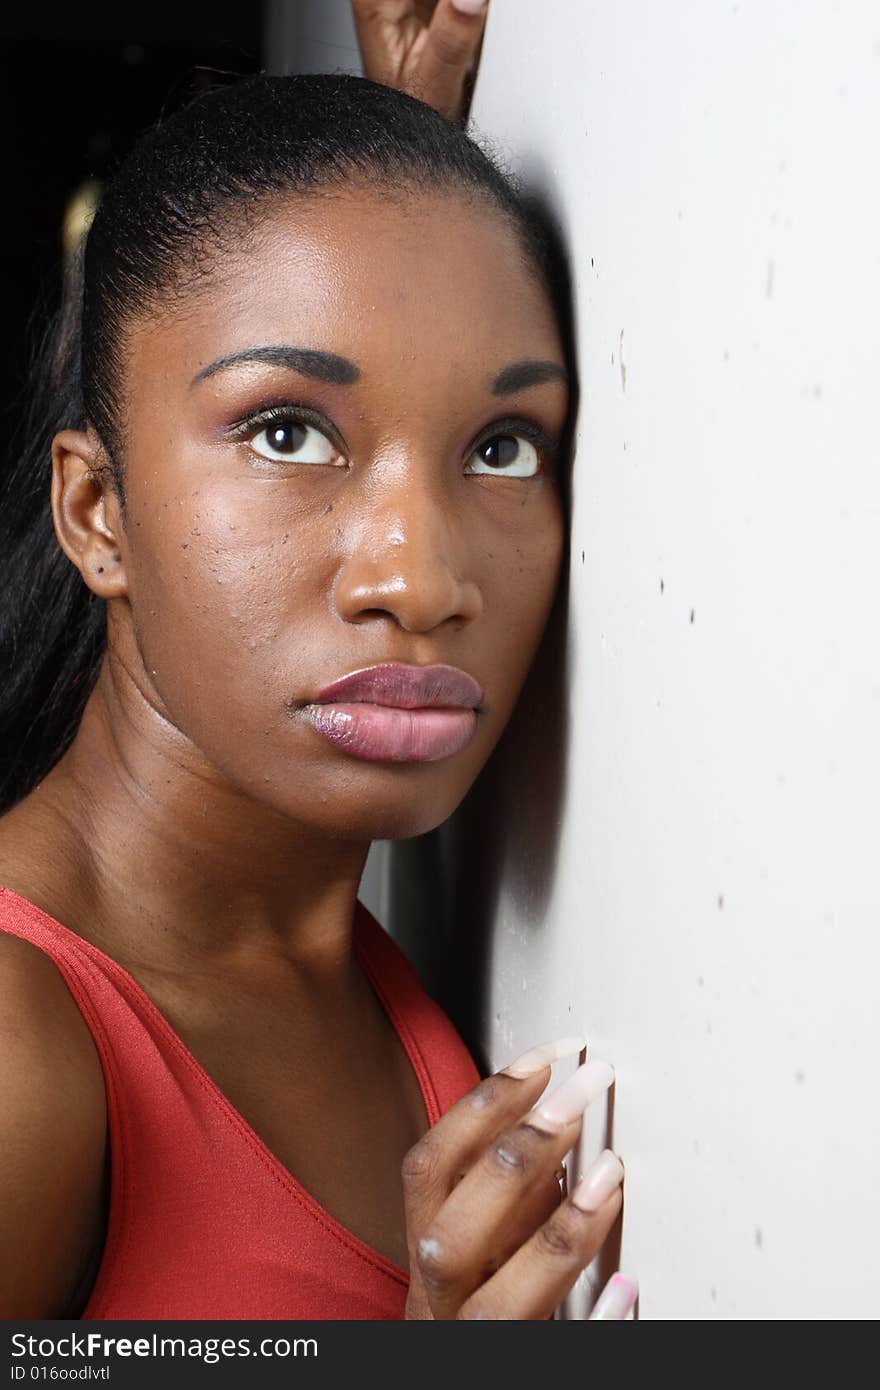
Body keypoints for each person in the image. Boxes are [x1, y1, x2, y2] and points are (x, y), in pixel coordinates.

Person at [0, 0, 636, 1321]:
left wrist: (407, 140)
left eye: (500, 447)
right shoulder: (25, 1053)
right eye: (288, 433)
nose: (419, 580)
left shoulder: (291, 941)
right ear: (95, 514)